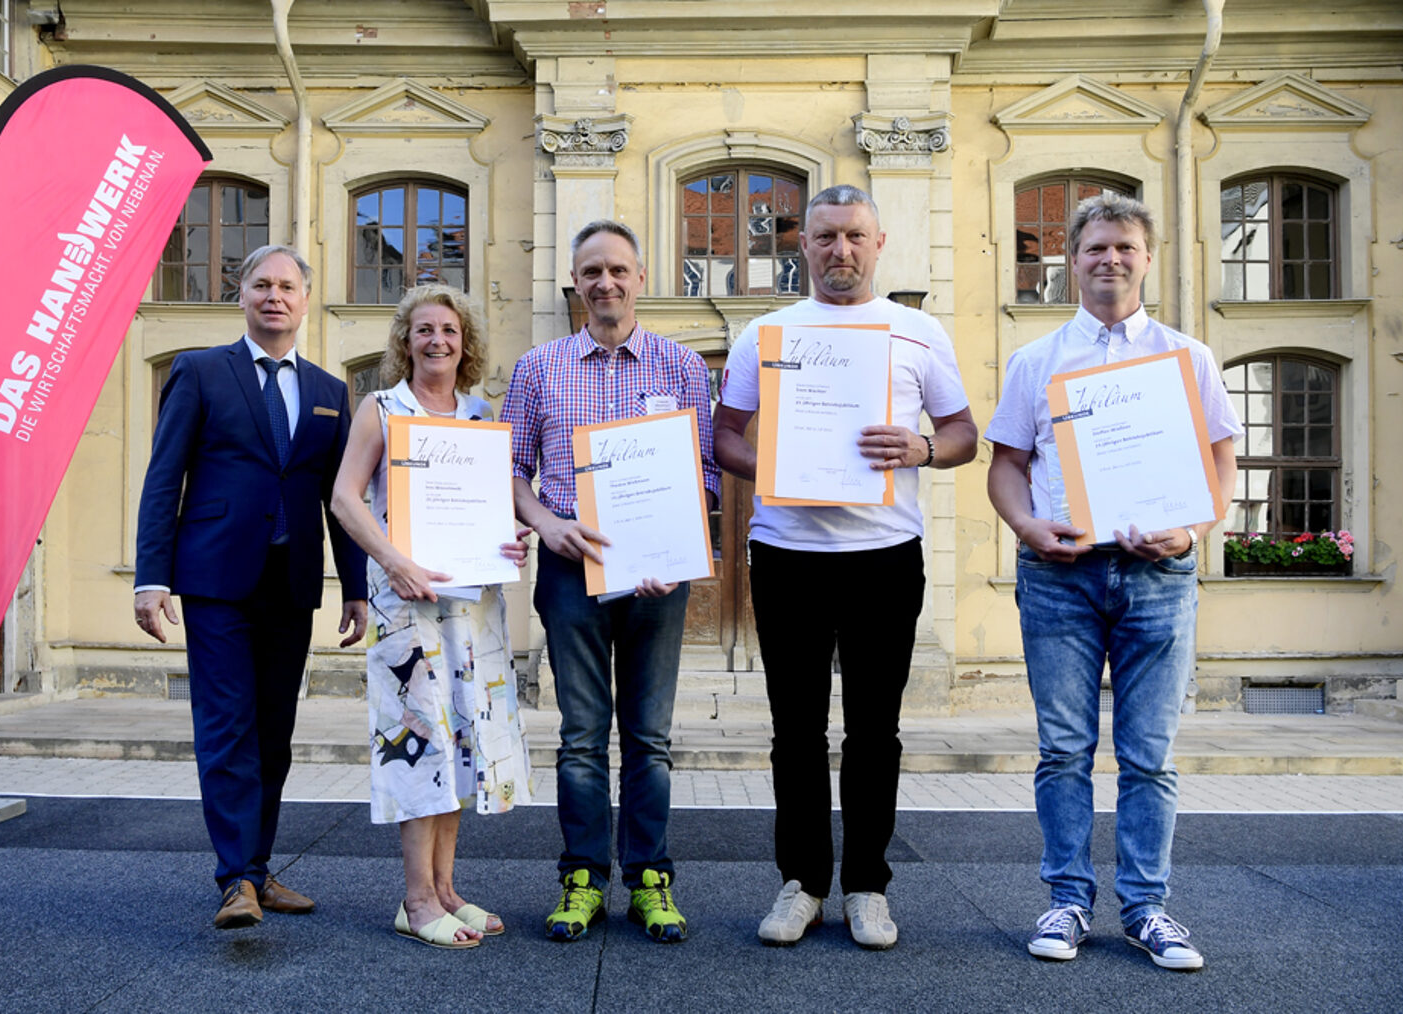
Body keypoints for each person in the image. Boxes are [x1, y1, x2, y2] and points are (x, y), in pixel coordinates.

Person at [713, 184, 978, 950]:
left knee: (875, 731)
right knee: (794, 730)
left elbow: (962, 432)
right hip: (788, 556)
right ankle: (801, 884)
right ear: (802, 245)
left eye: (855, 237)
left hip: (885, 556)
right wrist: (771, 461)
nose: (841, 251)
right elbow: (725, 435)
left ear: (879, 242)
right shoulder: (764, 332)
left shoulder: (917, 331)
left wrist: (924, 448)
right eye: (825, 237)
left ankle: (867, 885)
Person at [985, 192, 1240, 971]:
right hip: (1060, 576)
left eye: (1126, 247)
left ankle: (1145, 908)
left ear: (1147, 257)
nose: (1111, 260)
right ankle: (1066, 899)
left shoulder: (1185, 357)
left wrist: (1193, 527)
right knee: (1063, 747)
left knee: (1149, 754)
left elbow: (1222, 463)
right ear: (1073, 259)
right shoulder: (1036, 362)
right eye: (1096, 248)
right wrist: (1029, 528)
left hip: (1159, 575)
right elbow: (1005, 470)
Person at [133, 244, 368, 929]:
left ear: (304, 299)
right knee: (227, 725)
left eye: (287, 287)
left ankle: (258, 872)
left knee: (275, 733)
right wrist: (152, 577)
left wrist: (354, 587)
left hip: (291, 585)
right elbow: (162, 478)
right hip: (214, 582)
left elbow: (340, 498)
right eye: (261, 284)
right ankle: (233, 877)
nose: (274, 296)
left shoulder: (328, 393)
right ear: (241, 295)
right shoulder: (201, 372)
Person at [500, 219, 720, 944]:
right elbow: (511, 471)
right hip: (569, 569)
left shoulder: (683, 366)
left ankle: (651, 880)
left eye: (618, 271)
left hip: (658, 575)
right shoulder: (539, 367)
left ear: (640, 278)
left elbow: (707, 475)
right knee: (582, 737)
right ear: (575, 282)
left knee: (649, 738)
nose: (606, 283)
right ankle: (583, 880)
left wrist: (678, 549)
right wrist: (546, 524)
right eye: (591, 272)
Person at [329, 284, 536, 949]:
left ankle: (447, 889)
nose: (437, 340)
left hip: (472, 611)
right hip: (406, 605)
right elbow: (343, 498)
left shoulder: (481, 417)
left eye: (448, 329)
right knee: (419, 745)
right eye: (423, 330)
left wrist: (510, 541)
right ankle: (416, 899)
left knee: (461, 747)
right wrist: (391, 560)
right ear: (405, 341)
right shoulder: (382, 409)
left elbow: (492, 512)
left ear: (465, 341)